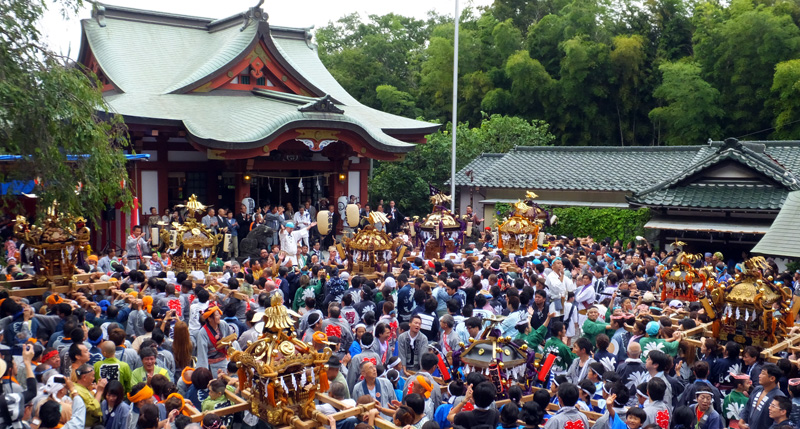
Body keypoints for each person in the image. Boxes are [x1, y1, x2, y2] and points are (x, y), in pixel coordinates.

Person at [740, 364, 786, 429]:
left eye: (763, 374)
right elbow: (748, 406)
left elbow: (778, 421)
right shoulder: (757, 389)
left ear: (772, 378)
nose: (759, 376)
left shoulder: (780, 397)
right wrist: (741, 421)